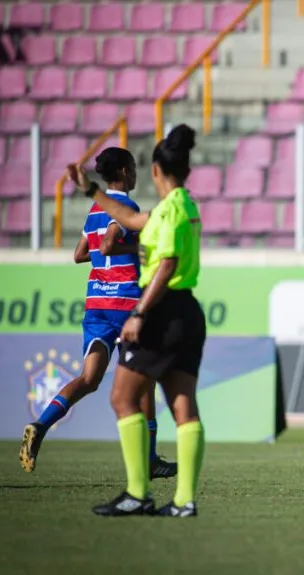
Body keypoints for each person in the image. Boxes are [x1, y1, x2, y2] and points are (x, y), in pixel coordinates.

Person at [73, 125, 208, 517]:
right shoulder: (185, 205)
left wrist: (139, 313)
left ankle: (137, 493)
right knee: (183, 405)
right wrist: (91, 191)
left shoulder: (169, 210)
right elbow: (132, 223)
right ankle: (183, 501)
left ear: (155, 172)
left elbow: (165, 265)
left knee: (122, 398)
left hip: (161, 311)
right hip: (187, 311)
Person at [20, 147, 176, 481]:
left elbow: (80, 254)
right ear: (122, 171)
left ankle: (40, 425)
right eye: (133, 167)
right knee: (144, 383)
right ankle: (149, 460)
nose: (136, 173)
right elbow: (107, 244)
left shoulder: (94, 210)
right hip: (124, 302)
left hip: (96, 305)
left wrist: (106, 250)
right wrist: (140, 247)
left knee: (88, 379)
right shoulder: (126, 207)